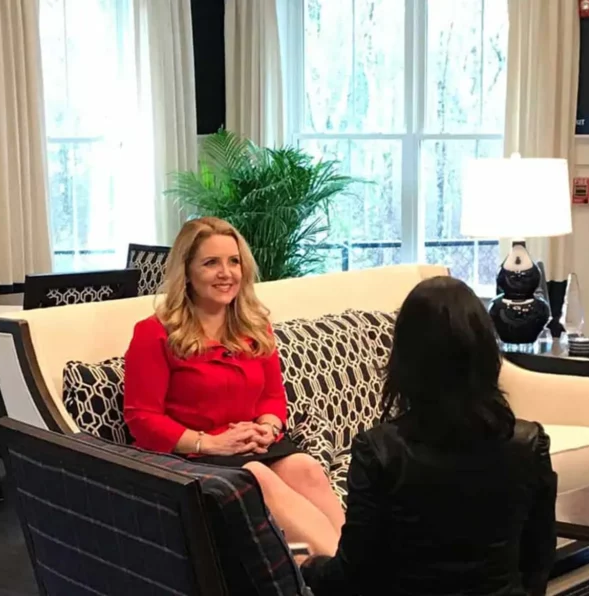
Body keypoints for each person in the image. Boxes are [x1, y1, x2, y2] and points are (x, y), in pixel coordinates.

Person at [299, 276, 558, 596]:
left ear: (405, 358)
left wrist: (308, 566)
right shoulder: (529, 443)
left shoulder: (378, 450)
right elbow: (539, 559)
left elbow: (354, 576)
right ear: (486, 351)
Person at [123, 216, 345, 556]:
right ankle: (341, 571)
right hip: (188, 456)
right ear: (187, 271)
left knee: (308, 468)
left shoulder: (254, 326)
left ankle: (356, 563)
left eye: (234, 262)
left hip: (249, 447)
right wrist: (210, 443)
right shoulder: (154, 332)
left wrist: (268, 428)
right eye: (211, 263)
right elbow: (142, 418)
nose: (226, 273)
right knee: (256, 476)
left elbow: (272, 397)